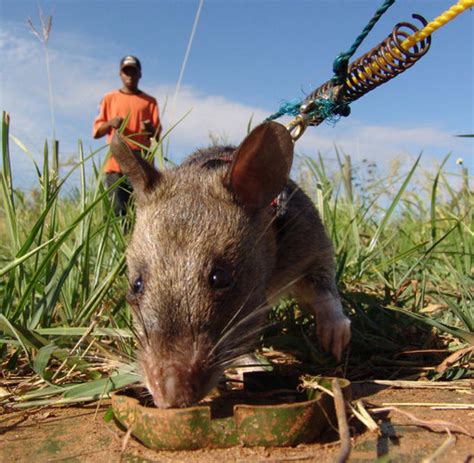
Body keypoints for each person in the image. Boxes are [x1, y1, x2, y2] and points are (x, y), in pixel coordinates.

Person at [93, 55, 161, 216]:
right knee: (116, 209)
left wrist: (149, 127)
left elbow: (157, 135)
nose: (130, 76)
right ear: (120, 74)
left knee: (143, 210)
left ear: (140, 74)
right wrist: (110, 123)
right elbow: (96, 131)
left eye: (133, 72)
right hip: (116, 160)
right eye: (126, 72)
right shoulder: (109, 99)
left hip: (142, 162)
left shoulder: (149, 102)